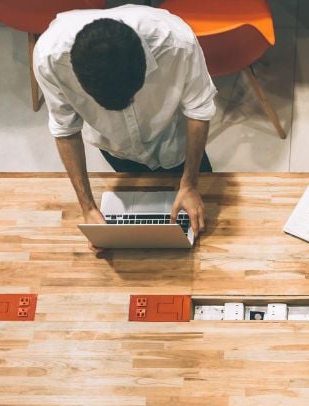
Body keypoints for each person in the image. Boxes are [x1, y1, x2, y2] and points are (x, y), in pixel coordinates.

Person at [32, 4, 217, 254]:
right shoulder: (49, 58)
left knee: (203, 223)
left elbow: (199, 109)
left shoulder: (177, 43)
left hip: (175, 142)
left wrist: (190, 185)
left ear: (144, 67)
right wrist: (87, 207)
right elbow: (65, 128)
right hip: (115, 148)